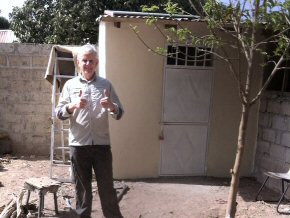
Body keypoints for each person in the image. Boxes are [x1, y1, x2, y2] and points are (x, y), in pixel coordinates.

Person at [55, 44, 124, 218]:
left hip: (102, 146)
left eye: (91, 61)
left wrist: (111, 106)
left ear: (97, 63)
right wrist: (72, 106)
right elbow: (59, 114)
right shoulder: (70, 85)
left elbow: (119, 113)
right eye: (84, 60)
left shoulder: (105, 84)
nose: (88, 64)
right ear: (78, 62)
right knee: (82, 190)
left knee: (107, 188)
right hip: (78, 147)